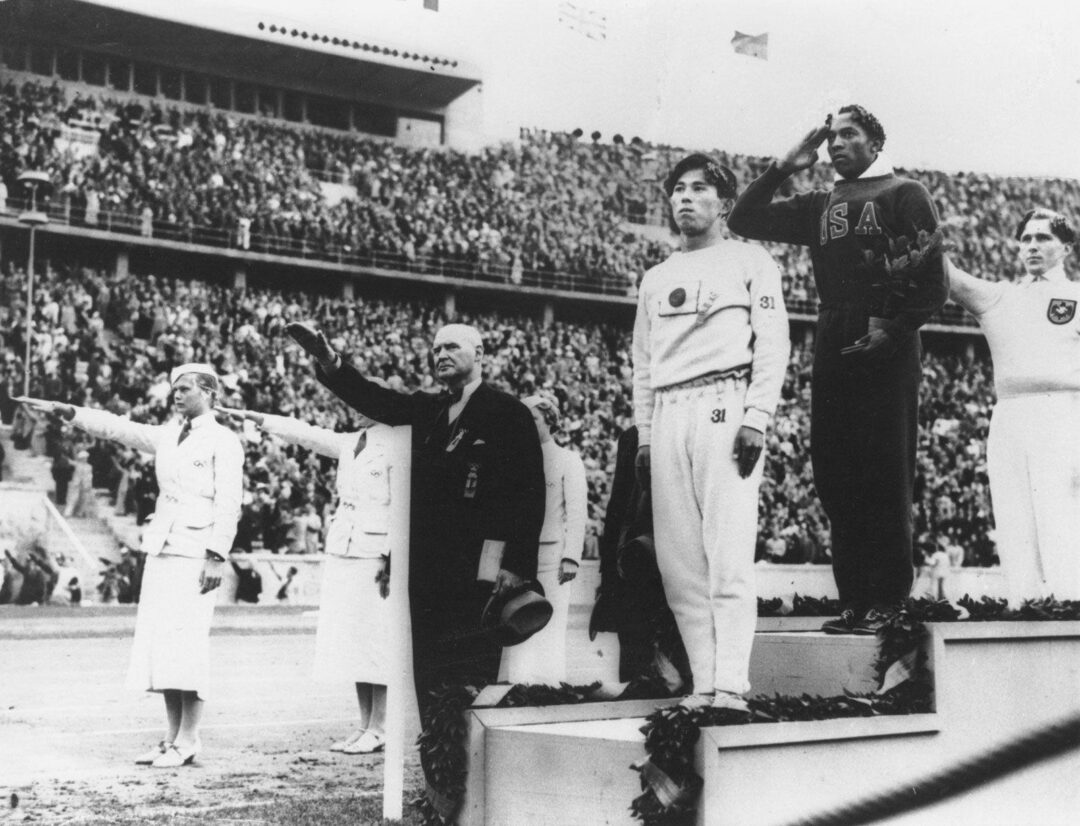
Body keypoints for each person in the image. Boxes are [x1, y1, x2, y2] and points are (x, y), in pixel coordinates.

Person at [287, 320, 544, 814]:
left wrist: (517, 565)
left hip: (479, 575)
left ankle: (472, 794)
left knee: (470, 680)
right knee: (427, 682)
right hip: (424, 575)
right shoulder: (426, 409)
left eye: (451, 346)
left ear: (480, 351)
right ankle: (440, 791)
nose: (440, 355)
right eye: (435, 348)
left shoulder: (506, 412)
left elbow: (528, 492)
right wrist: (329, 361)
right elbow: (374, 399)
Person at [728, 105, 948, 635]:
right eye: (831, 138)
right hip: (832, 334)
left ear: (876, 142)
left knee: (886, 469)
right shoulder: (821, 201)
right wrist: (784, 166)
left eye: (849, 134)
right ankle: (853, 599)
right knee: (835, 472)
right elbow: (742, 220)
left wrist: (893, 331)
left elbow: (933, 282)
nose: (836, 145)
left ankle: (889, 598)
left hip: (887, 338)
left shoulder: (905, 193)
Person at [17, 363, 243, 767]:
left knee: (187, 644)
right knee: (162, 644)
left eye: (186, 388)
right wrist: (66, 410)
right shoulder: (169, 435)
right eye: (174, 388)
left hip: (196, 551)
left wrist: (216, 555)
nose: (177, 395)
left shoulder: (224, 441)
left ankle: (190, 738)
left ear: (209, 392)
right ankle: (172, 737)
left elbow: (229, 503)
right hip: (163, 547)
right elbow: (117, 427)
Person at [633, 154, 790, 711]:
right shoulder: (655, 277)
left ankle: (732, 685)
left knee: (726, 553)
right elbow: (643, 366)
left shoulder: (750, 260)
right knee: (680, 565)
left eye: (699, 188)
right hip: (671, 409)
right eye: (677, 189)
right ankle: (703, 684)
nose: (685, 197)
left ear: (724, 203)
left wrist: (757, 417)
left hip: (726, 403)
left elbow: (773, 343)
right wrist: (645, 435)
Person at [220, 403, 410, 754]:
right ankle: (365, 724)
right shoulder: (351, 441)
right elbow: (305, 434)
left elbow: (402, 506)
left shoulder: (398, 444)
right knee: (354, 639)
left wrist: (392, 556)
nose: (354, 408)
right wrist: (260, 418)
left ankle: (380, 726)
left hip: (375, 549)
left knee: (374, 640)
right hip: (344, 544)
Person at [946, 208, 1080, 603]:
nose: (1033, 246)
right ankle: (1022, 602)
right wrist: (922, 233)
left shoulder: (1077, 296)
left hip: (1063, 411)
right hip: (1009, 412)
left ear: (1066, 248)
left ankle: (1071, 603)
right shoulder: (1000, 296)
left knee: (1059, 510)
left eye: (1043, 238)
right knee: (1013, 511)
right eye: (1026, 239)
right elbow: (950, 278)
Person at [499, 394, 586, 685]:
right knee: (515, 621)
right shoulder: (512, 459)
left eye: (533, 418)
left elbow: (576, 512)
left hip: (551, 556)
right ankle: (517, 686)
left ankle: (547, 686)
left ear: (550, 421)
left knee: (549, 621)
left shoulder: (566, 459)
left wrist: (571, 556)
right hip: (516, 557)